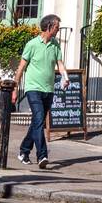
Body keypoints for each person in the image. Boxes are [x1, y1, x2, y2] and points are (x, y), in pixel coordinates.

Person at [12, 14, 69, 170]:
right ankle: (42, 155)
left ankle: (24, 151)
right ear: (49, 27)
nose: (58, 30)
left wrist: (65, 77)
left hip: (48, 89)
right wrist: (15, 88)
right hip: (33, 88)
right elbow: (21, 68)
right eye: (57, 27)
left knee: (37, 122)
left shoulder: (55, 44)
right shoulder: (31, 45)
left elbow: (60, 64)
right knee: (38, 119)